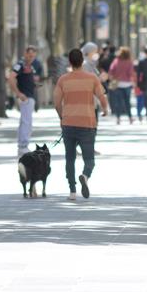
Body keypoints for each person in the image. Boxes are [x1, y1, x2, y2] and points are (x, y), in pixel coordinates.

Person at [54, 49, 109, 200]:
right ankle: (85, 175)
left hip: (69, 124)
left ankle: (72, 191)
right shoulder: (92, 78)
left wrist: (62, 117)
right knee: (89, 159)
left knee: (70, 158)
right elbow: (102, 97)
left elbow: (56, 103)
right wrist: (105, 110)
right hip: (87, 123)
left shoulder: (63, 80)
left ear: (70, 62)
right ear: (82, 61)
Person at [8, 46, 42, 155]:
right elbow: (11, 77)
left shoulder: (30, 66)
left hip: (30, 95)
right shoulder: (21, 64)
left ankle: (23, 145)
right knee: (26, 122)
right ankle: (23, 145)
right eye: (30, 55)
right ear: (25, 54)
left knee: (27, 122)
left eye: (33, 56)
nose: (31, 58)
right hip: (25, 97)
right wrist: (18, 93)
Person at [108, 47, 136, 125]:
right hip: (127, 84)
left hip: (118, 84)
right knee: (127, 102)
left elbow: (111, 71)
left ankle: (118, 118)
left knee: (118, 102)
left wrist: (114, 78)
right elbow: (130, 73)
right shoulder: (129, 62)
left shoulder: (116, 61)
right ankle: (130, 118)